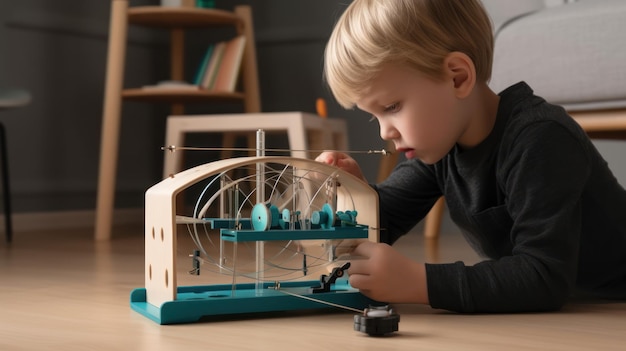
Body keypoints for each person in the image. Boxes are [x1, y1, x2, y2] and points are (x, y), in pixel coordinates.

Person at [317, 0, 626, 313]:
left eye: (392, 107)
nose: (385, 132)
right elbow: (384, 221)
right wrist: (354, 199)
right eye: (374, 116)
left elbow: (543, 275)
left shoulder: (540, 137)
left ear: (458, 78)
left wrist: (419, 282)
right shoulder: (442, 148)